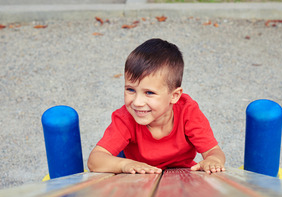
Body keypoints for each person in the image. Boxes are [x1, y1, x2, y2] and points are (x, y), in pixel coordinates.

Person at [87, 38, 225, 174]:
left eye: (149, 92)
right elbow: (95, 160)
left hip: (181, 175)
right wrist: (125, 164)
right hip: (139, 178)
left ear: (174, 96)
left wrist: (213, 160)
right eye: (130, 90)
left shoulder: (187, 111)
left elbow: (214, 151)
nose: (137, 102)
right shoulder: (125, 118)